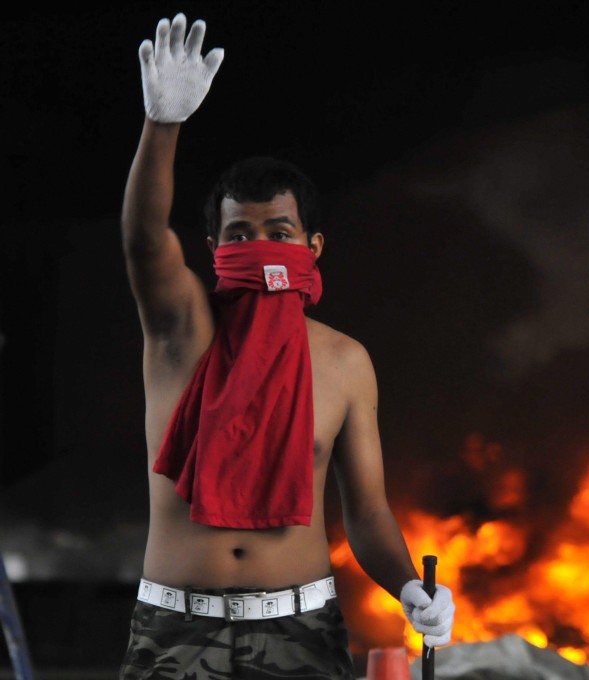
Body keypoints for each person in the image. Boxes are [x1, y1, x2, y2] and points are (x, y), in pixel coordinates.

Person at [118, 13, 454, 679]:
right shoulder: (179, 328)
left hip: (299, 628)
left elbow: (367, 511)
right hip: (176, 627)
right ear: (214, 250)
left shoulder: (344, 361)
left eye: (279, 230)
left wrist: (411, 587)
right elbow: (143, 239)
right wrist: (163, 125)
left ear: (313, 247)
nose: (260, 246)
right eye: (239, 234)